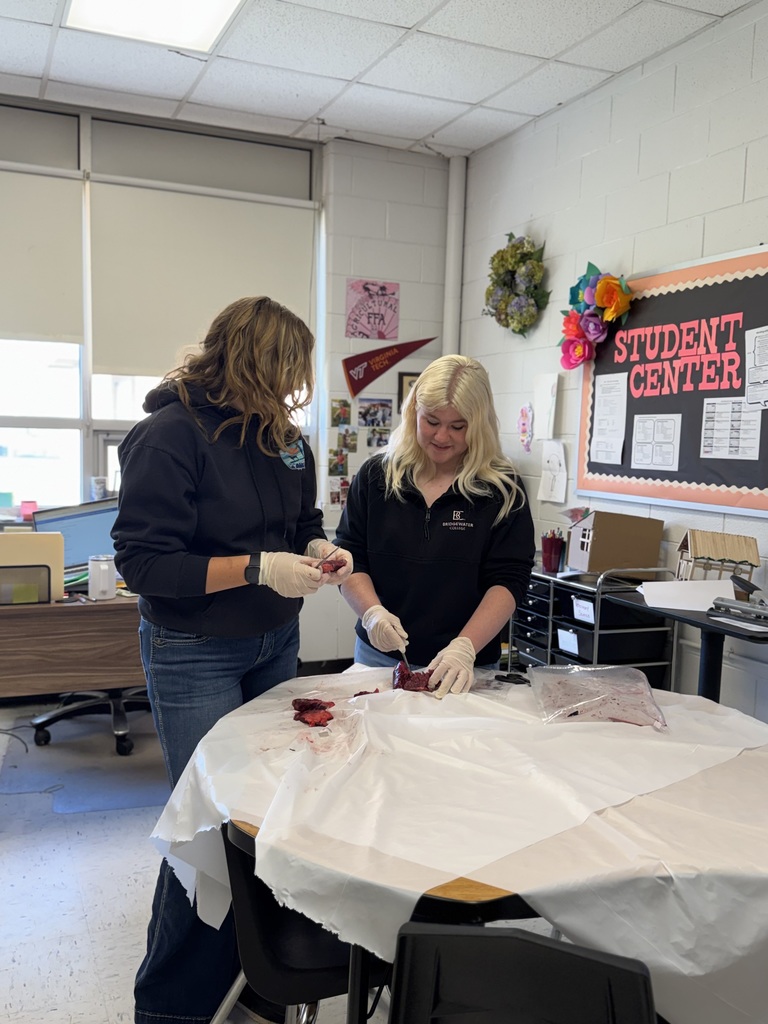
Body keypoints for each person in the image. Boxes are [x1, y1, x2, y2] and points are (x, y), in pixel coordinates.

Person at [112, 296, 352, 1024]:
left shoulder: (283, 438)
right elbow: (145, 564)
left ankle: (258, 976)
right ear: (244, 361)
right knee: (207, 825)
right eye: (280, 375)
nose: (290, 394)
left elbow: (301, 523)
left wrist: (315, 550)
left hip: (274, 641)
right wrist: (254, 568)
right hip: (196, 653)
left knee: (268, 816)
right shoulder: (168, 437)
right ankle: (171, 1003)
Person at [335, 354, 534, 697]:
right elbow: (350, 558)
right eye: (431, 421)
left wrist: (465, 647)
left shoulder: (502, 489)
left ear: (481, 424)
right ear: (414, 412)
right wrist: (372, 614)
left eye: (458, 426)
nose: (442, 436)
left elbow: (509, 579)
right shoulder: (375, 477)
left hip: (466, 665)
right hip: (379, 658)